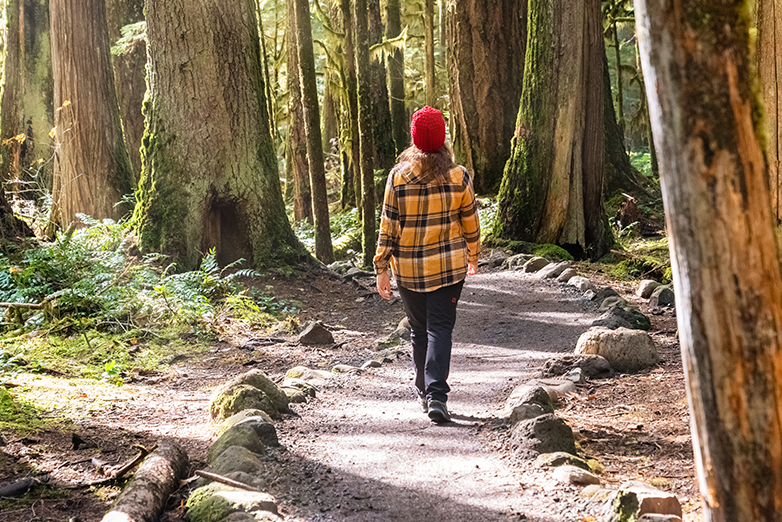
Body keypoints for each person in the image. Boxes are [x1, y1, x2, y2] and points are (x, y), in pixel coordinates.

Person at [373, 106, 481, 423]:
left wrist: (382, 267)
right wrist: (473, 255)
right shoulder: (458, 177)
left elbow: (388, 225)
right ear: (442, 138)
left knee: (420, 330)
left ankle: (424, 391)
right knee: (440, 328)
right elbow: (470, 224)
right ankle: (436, 395)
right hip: (448, 269)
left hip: (408, 270)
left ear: (415, 139)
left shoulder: (398, 177)